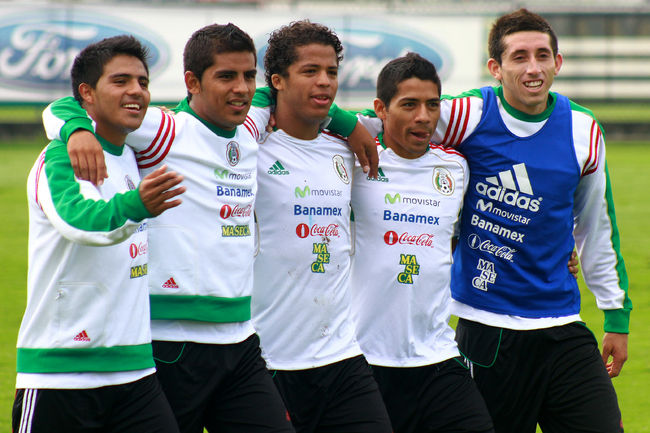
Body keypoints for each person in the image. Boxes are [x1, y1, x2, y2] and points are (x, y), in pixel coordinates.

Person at [350, 9, 630, 433]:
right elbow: (393, 118)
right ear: (496, 68)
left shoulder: (583, 130)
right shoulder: (471, 114)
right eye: (519, 57)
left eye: (542, 55)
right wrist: (330, 119)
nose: (533, 68)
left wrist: (615, 314)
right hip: (487, 329)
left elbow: (595, 225)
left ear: (558, 62)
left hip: (563, 325)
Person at [41, 24, 295, 433]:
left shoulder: (249, 126)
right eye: (226, 76)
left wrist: (349, 124)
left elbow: (278, 95)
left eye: (249, 75)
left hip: (241, 339)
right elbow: (63, 106)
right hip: (172, 343)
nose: (242, 88)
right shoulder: (164, 129)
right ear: (192, 82)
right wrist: (77, 130)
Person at [13, 35, 185, 433]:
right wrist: (136, 205)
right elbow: (79, 222)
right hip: (61, 375)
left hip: (136, 371)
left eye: (143, 82)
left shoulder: (135, 153)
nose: (136, 91)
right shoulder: (60, 155)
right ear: (87, 93)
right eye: (120, 81)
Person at [251, 20, 392, 433]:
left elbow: (414, 115)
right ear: (277, 80)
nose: (325, 81)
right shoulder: (249, 147)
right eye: (310, 71)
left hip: (342, 356)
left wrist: (346, 123)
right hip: (268, 360)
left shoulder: (348, 149)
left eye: (331, 71)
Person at [349, 52, 494, 433]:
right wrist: (347, 123)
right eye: (409, 105)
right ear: (381, 109)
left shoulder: (456, 167)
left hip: (438, 357)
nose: (424, 117)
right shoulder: (354, 163)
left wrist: (563, 252)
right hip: (362, 360)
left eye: (432, 105)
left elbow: (480, 232)